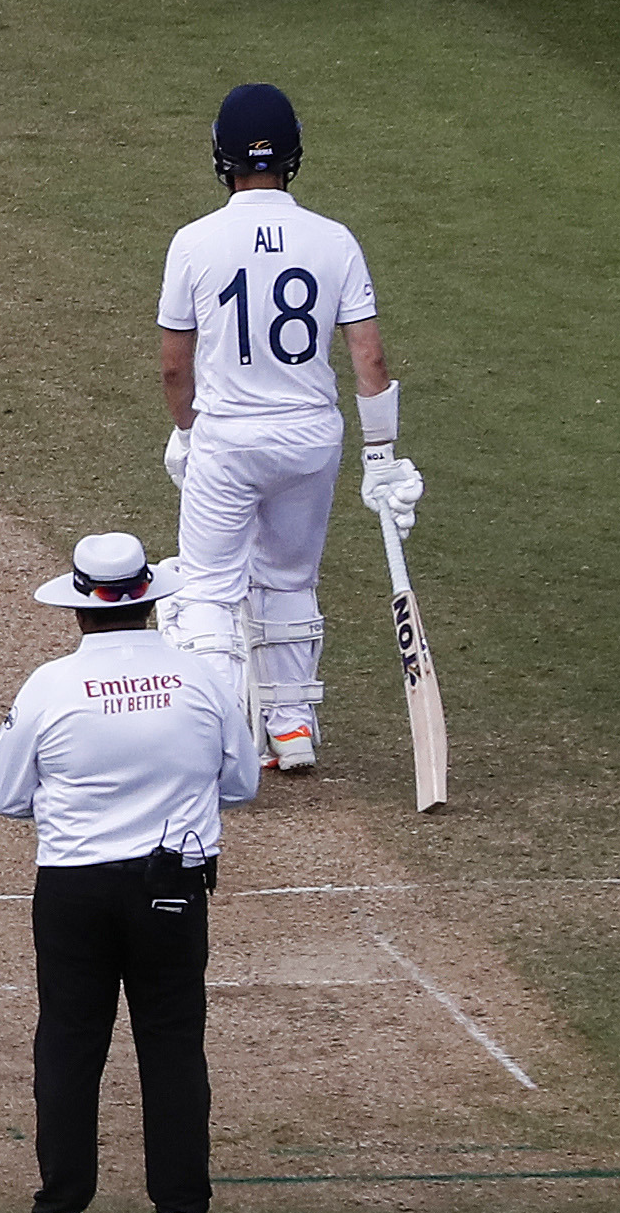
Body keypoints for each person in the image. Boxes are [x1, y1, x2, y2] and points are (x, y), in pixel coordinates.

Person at [0, 532, 261, 1213]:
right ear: (147, 600)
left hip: (74, 886)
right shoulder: (199, 678)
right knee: (172, 1045)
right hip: (172, 886)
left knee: (70, 1043)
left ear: (78, 609)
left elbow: (6, 796)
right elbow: (241, 784)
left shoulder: (49, 685)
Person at [155, 83, 423, 772]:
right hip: (310, 437)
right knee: (288, 577)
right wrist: (382, 456)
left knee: (210, 587)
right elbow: (368, 356)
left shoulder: (193, 242)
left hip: (229, 436)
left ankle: (216, 742)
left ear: (221, 157)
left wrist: (186, 431)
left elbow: (172, 367)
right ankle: (291, 724)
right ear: (293, 155)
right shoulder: (333, 240)